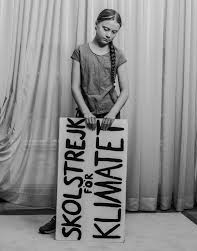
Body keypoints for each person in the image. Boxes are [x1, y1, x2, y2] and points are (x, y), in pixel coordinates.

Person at [39, 8, 129, 234]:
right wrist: (86, 112)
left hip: (111, 117)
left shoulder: (118, 54)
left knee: (105, 172)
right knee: (77, 171)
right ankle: (63, 217)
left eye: (114, 32)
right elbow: (74, 87)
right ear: (96, 25)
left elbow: (126, 91)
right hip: (84, 115)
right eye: (106, 28)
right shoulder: (80, 51)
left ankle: (102, 221)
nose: (109, 34)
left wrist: (111, 115)